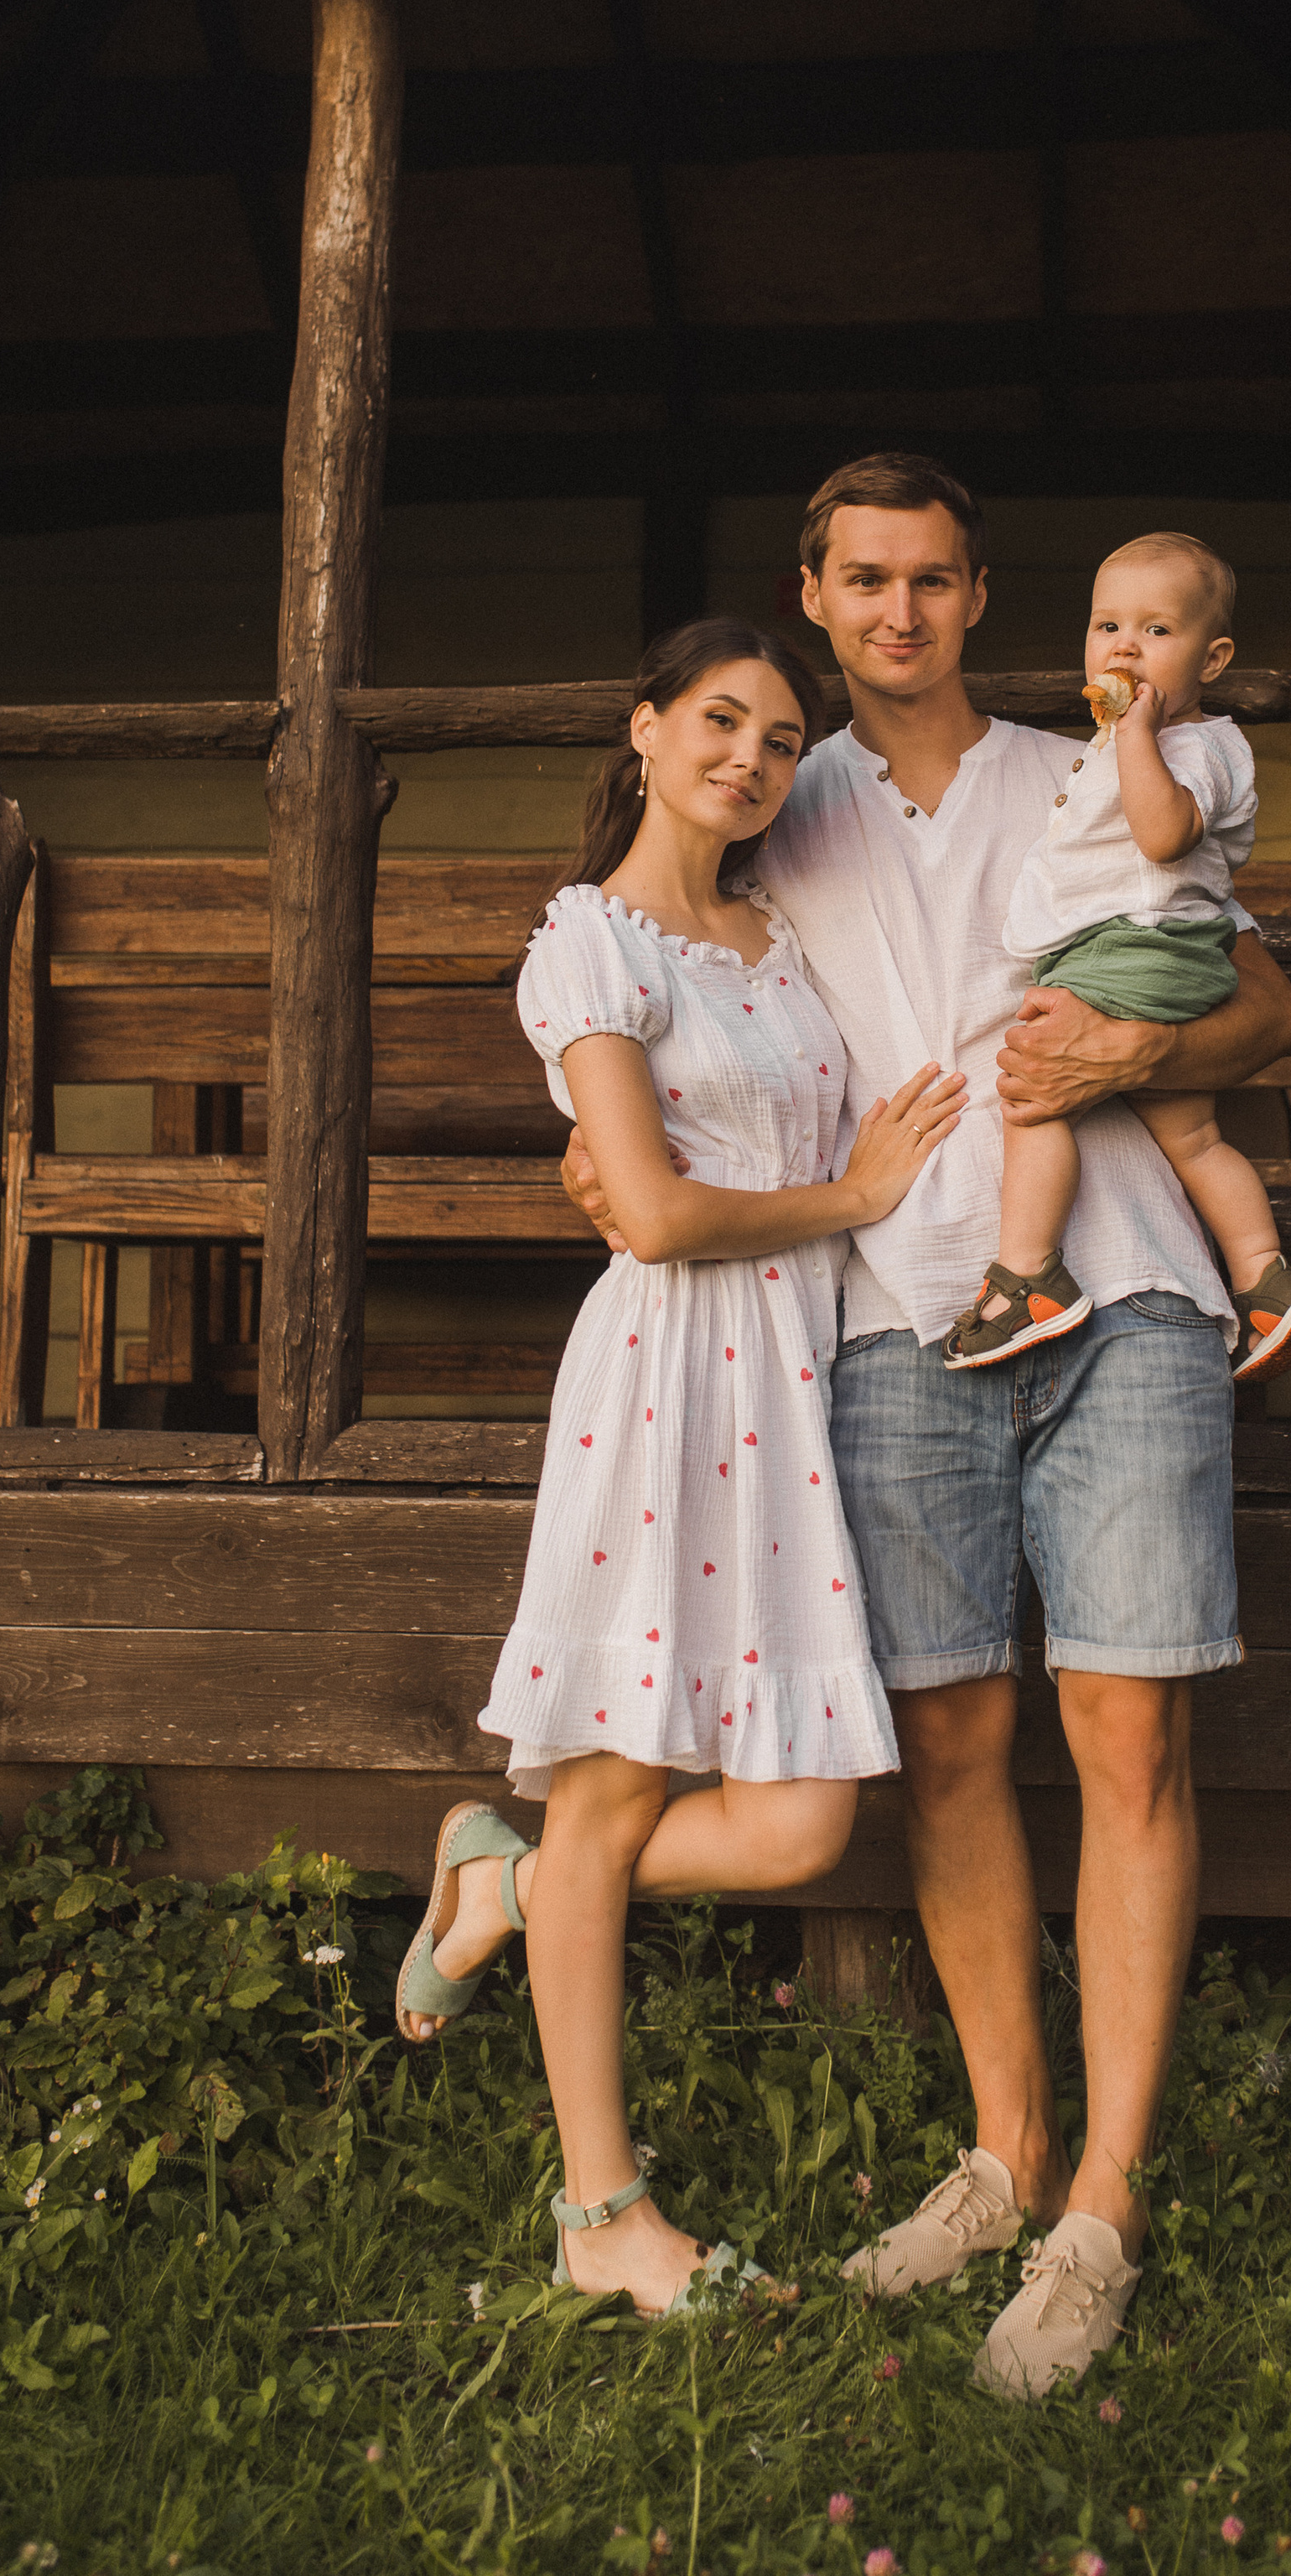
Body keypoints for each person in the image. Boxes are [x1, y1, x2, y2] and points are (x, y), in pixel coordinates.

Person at [564, 460, 1291, 2397]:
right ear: (812, 593)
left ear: (980, 592)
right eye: (861, 579)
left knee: (1126, 1719)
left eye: (932, 579)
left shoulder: (1091, 768)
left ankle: (1104, 2211)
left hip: (1126, 1283)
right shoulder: (766, 789)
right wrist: (606, 1138)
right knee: (950, 1743)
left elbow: (1268, 1006)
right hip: (890, 1316)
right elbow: (647, 978)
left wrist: (1146, 1047)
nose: (897, 610)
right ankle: (1003, 2154)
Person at [396, 616, 964, 2324]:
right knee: (619, 1793)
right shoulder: (589, 945)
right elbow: (644, 1211)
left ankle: (505, 1872)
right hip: (667, 1386)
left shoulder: (777, 936)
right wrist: (850, 1204)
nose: (749, 758)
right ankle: (602, 2216)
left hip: (792, 1384)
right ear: (642, 730)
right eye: (719, 720)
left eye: (783, 740)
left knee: (795, 1823)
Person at [941, 528, 1291, 1385]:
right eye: (1106, 625)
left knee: (1035, 1096)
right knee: (1192, 1134)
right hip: (1167, 957)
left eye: (1156, 630)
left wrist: (1135, 734)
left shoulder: (1193, 745)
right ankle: (1264, 1276)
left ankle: (1028, 1277)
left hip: (1130, 950)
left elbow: (1163, 837)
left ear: (1212, 656)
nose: (1124, 645)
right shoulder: (1146, 743)